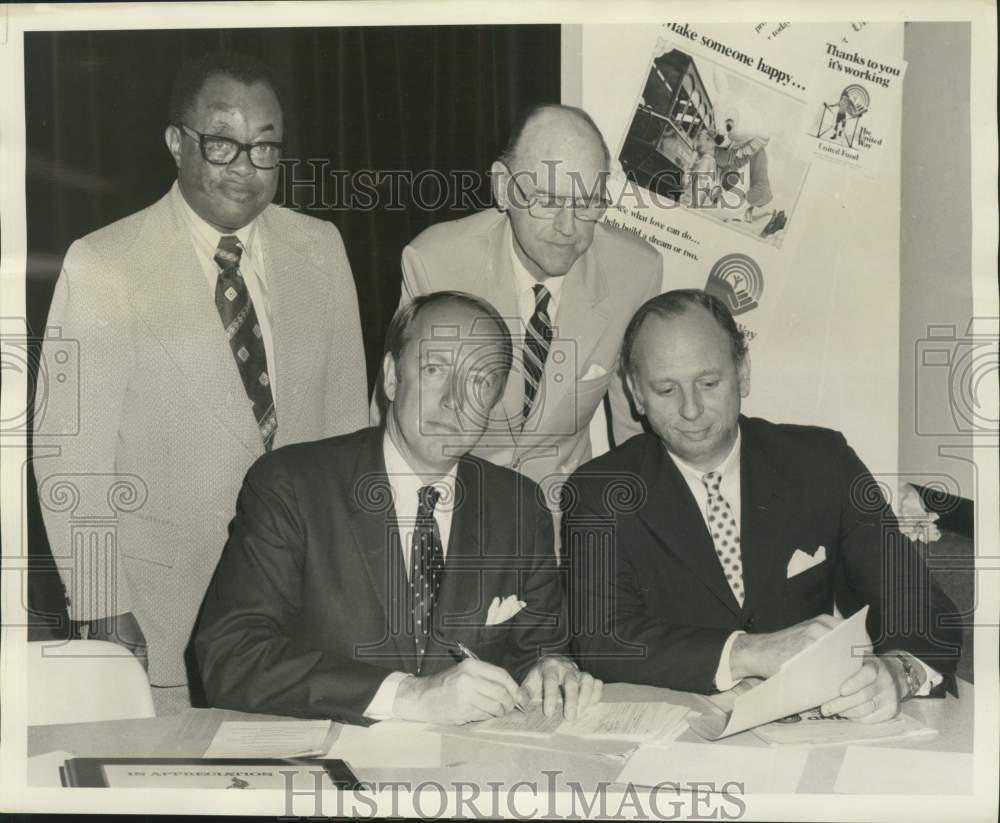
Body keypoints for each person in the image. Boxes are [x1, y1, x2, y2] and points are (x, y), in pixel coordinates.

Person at [34, 51, 368, 712]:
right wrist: (103, 609)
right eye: (222, 143)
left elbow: (346, 438)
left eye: (266, 146)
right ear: (177, 143)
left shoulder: (322, 248)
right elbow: (70, 459)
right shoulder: (102, 262)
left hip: (302, 626)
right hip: (161, 626)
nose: (245, 166)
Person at [195, 292, 602, 725]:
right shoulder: (293, 485)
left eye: (480, 381)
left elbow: (537, 649)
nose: (454, 400)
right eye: (434, 370)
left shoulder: (518, 505)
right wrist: (408, 696)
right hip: (325, 771)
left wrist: (549, 671)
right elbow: (232, 657)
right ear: (391, 378)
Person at [563, 290, 960, 722]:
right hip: (674, 743)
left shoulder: (823, 462)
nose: (691, 409)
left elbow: (917, 603)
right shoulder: (598, 490)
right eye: (665, 390)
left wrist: (897, 672)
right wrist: (747, 653)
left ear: (743, 372)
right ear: (636, 395)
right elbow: (601, 640)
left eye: (709, 383)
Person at [374, 104, 662, 513]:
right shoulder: (436, 264)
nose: (569, 227)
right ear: (504, 186)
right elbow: (399, 423)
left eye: (587, 202)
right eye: (547, 199)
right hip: (455, 511)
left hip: (565, 521)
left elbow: (637, 429)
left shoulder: (635, 272)